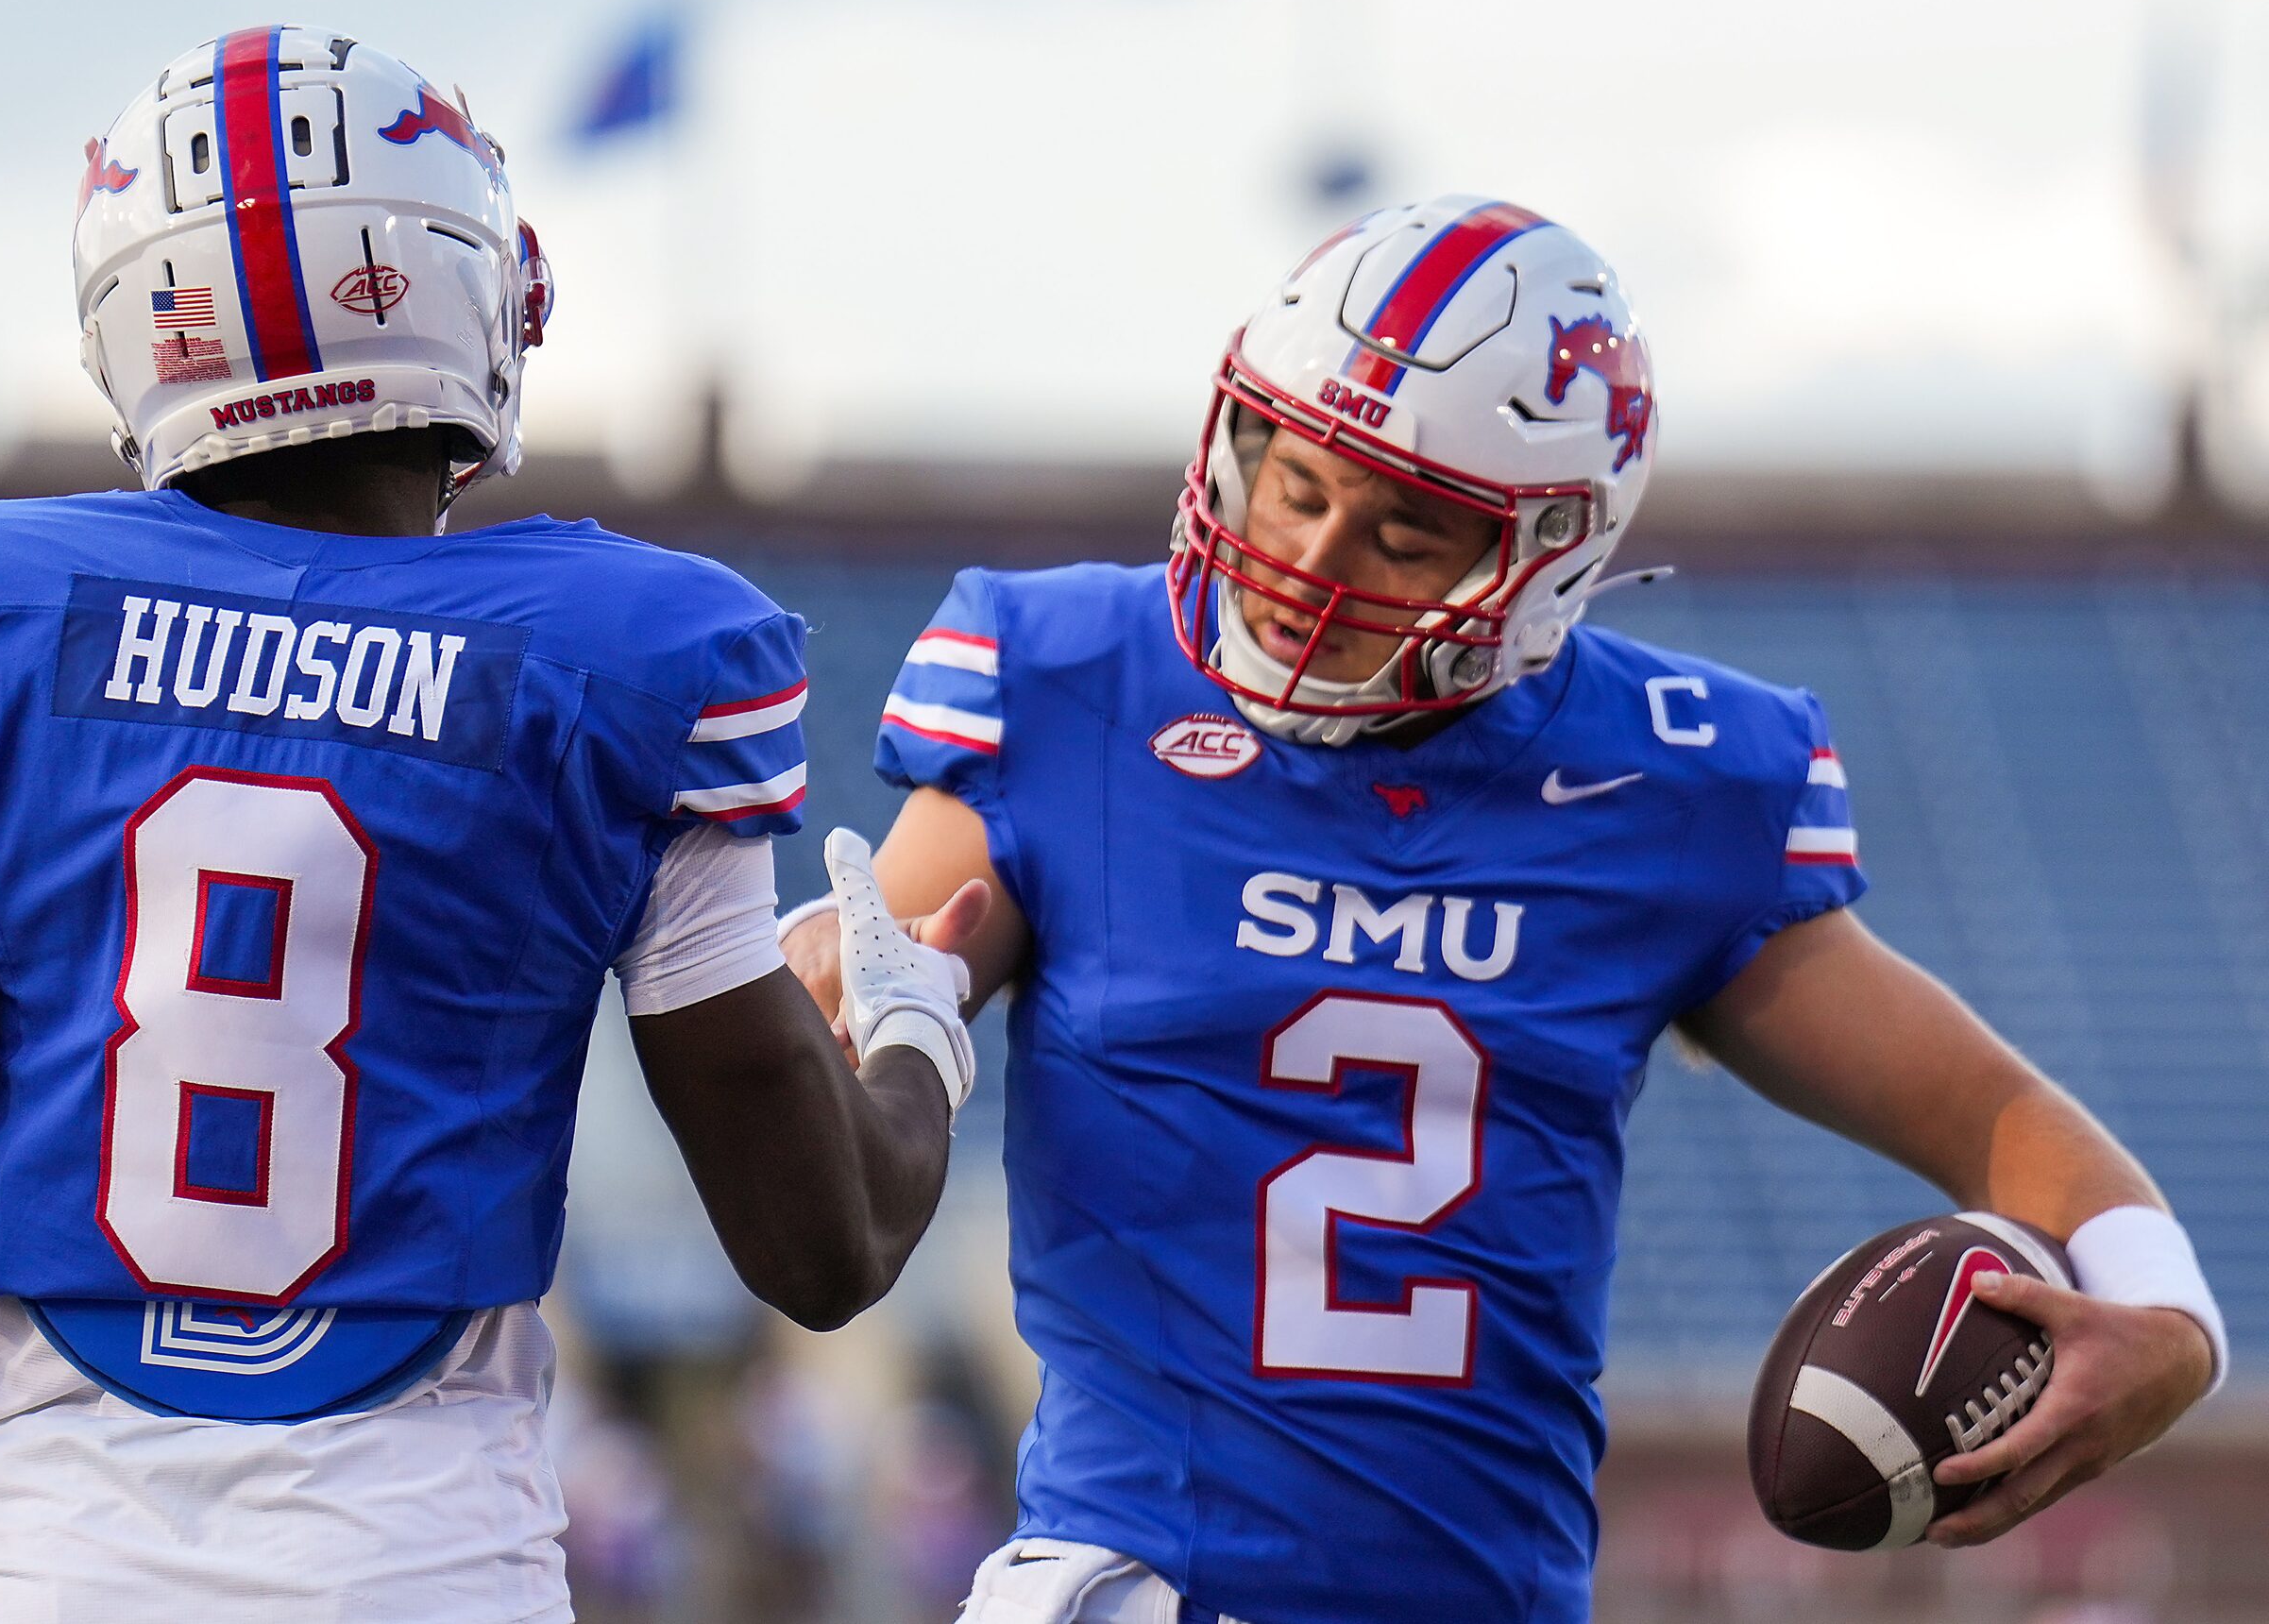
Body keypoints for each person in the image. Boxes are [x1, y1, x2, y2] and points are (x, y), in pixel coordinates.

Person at [782, 196, 2228, 1624]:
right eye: (1293, 478)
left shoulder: (1665, 781)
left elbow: (1998, 1120)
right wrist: (829, 1000)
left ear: (1545, 560)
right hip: (1137, 1584)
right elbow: (865, 1039)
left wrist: (2172, 1322)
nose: (1315, 559)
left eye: (1404, 531)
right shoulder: (1069, 686)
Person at [0, 25, 979, 1624]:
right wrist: (914, 1026)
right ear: (470, 298)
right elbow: (826, 1249)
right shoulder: (616, 657)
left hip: (61, 1565)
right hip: (421, 1563)